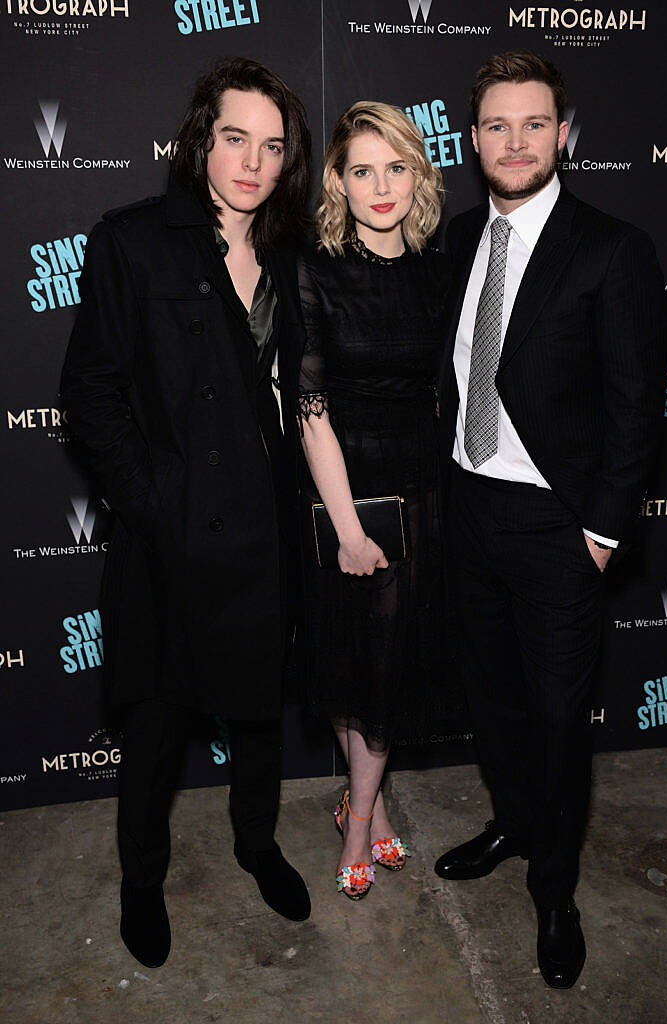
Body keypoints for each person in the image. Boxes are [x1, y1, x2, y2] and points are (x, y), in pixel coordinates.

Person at [60, 58, 313, 968]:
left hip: (264, 529)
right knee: (157, 725)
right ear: (201, 138)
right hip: (171, 536)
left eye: (273, 146)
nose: (252, 161)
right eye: (235, 137)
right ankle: (141, 877)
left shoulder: (291, 253)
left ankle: (257, 843)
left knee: (254, 715)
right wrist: (154, 501)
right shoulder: (134, 240)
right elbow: (89, 394)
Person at [434, 51, 667, 987]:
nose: (515, 141)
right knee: (489, 702)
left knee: (557, 718)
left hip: (555, 527)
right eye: (497, 125)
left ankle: (555, 889)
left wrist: (600, 531)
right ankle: (512, 823)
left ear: (563, 134)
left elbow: (635, 408)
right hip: (468, 507)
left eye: (534, 124)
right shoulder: (457, 240)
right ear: (473, 136)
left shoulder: (612, 248)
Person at [297, 102, 446, 899]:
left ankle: (357, 813)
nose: (380, 185)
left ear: (417, 173)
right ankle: (368, 812)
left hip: (420, 494)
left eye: (395, 166)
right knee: (345, 662)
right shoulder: (313, 269)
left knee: (387, 670)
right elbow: (310, 412)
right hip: (338, 498)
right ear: (339, 183)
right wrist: (349, 530)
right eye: (362, 170)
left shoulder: (436, 265)